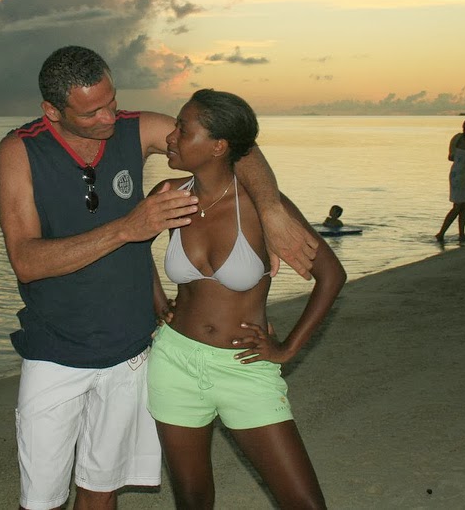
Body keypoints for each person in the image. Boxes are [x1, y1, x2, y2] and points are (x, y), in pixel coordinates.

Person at [0, 46, 319, 510]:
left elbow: (228, 142)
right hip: (55, 350)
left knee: (101, 488)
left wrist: (270, 208)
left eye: (112, 100)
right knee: (41, 498)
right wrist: (128, 228)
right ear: (52, 111)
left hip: (131, 351)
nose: (110, 117)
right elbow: (26, 260)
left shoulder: (134, 127)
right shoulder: (20, 151)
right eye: (93, 111)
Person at [146, 89, 347, 510]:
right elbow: (131, 246)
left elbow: (330, 275)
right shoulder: (167, 193)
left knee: (304, 503)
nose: (170, 136)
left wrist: (287, 348)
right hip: (174, 363)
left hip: (245, 369)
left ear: (219, 146)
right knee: (192, 499)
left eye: (184, 129)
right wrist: (157, 300)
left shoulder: (261, 206)